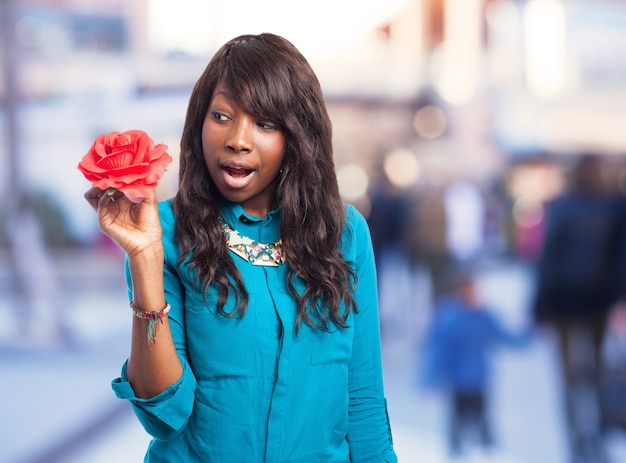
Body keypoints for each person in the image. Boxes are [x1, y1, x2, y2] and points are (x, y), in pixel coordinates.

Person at [84, 33, 397, 462]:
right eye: (222, 115)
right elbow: (164, 415)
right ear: (199, 122)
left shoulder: (344, 234)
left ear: (297, 136)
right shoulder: (166, 232)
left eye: (265, 123)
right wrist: (144, 259)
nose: (238, 139)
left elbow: (363, 404)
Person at [532, 154, 621, 463]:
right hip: (598, 298)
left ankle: (575, 439)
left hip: (565, 299)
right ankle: (596, 437)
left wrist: (539, 304)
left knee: (569, 376)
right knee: (596, 372)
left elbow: (548, 257)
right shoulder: (613, 205)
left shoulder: (564, 205)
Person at [420, 267, 529, 459]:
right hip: (459, 384)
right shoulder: (450, 320)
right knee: (457, 423)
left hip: (479, 381)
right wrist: (431, 380)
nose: (475, 295)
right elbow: (438, 353)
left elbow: (504, 335)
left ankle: (488, 450)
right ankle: (456, 451)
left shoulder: (483, 316)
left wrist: (527, 335)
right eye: (471, 290)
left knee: (483, 422)